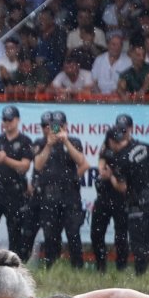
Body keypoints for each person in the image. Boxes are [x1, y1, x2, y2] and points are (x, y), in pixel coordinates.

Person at [104, 123, 149, 275]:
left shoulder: (120, 159)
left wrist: (111, 176)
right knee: (145, 239)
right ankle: (144, 272)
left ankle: (141, 274)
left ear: (113, 142)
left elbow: (122, 188)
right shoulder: (138, 145)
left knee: (137, 242)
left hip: (138, 203)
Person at [32, 110, 87, 269]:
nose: (56, 130)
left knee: (73, 233)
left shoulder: (74, 141)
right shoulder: (41, 142)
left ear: (65, 126)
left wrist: (66, 142)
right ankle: (51, 266)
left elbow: (80, 160)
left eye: (60, 126)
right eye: (53, 126)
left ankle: (77, 267)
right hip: (49, 196)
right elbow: (37, 165)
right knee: (50, 235)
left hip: (70, 196)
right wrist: (49, 144)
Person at [0, 106, 33, 261]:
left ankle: (14, 270)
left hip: (15, 193)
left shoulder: (25, 141)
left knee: (15, 234)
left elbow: (24, 166)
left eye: (10, 120)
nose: (7, 123)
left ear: (17, 120)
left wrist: (5, 160)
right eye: (4, 120)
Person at [91, 127, 129, 273]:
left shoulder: (126, 155)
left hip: (120, 199)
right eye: (115, 141)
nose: (118, 144)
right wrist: (104, 172)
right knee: (96, 233)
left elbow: (122, 186)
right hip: (104, 198)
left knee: (121, 236)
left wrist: (112, 175)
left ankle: (121, 267)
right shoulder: (105, 150)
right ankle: (101, 266)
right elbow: (101, 165)